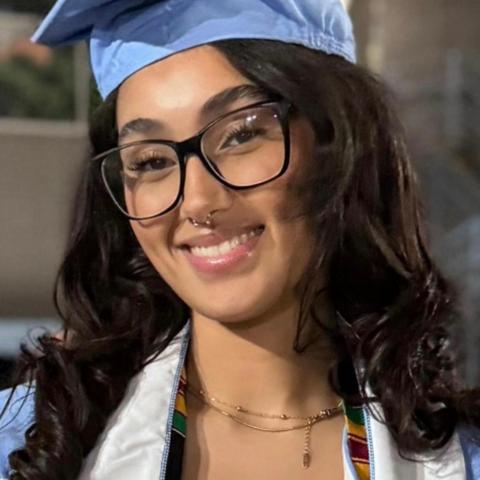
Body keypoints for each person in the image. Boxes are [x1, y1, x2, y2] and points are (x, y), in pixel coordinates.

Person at [0, 0, 479, 478]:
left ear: (337, 145)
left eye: (241, 135)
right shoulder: (32, 445)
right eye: (150, 162)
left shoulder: (463, 459)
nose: (197, 202)